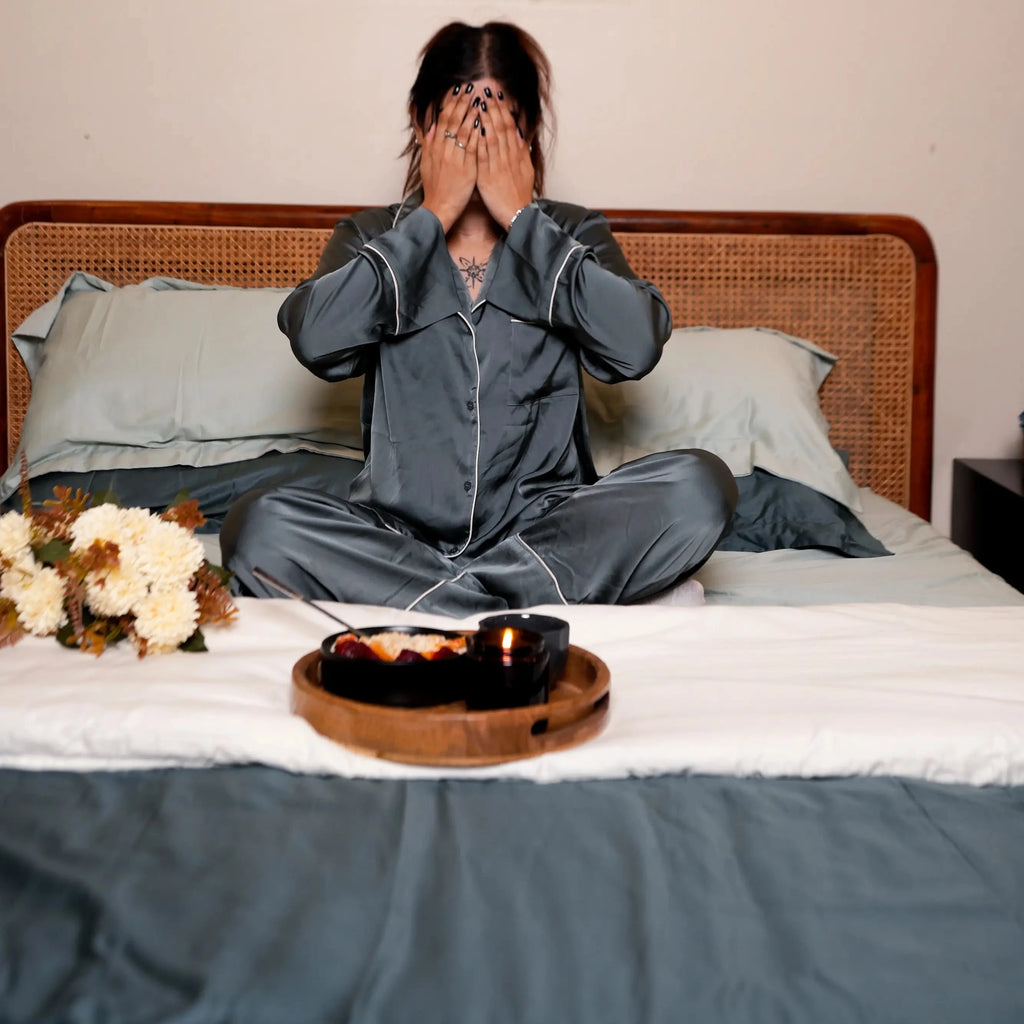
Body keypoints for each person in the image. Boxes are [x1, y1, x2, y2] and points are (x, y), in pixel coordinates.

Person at [221, 21, 736, 615]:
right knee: (258, 527)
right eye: (459, 127)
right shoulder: (371, 236)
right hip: (399, 540)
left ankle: (439, 604)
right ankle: (509, 607)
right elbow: (317, 339)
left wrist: (522, 217)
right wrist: (432, 214)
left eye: (496, 129)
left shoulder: (572, 232)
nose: (477, 146)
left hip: (548, 537)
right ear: (421, 125)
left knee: (700, 488)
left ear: (529, 134)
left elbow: (636, 345)